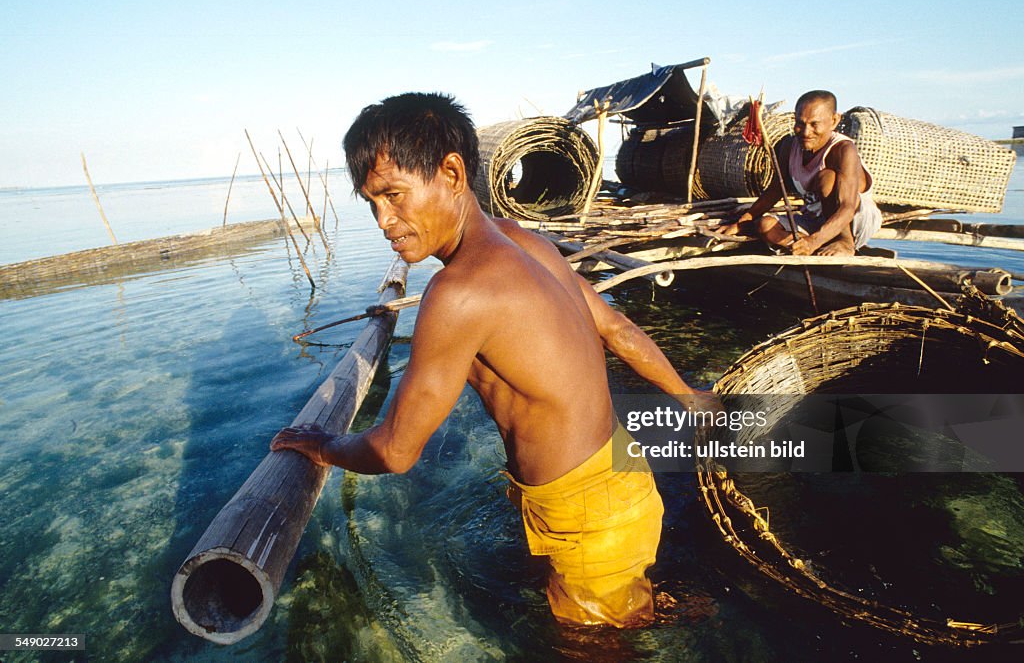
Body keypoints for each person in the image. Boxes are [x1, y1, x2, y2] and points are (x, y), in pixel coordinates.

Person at [270, 92, 700, 627]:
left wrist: (325, 446)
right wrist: (690, 398)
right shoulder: (526, 240)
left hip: (585, 515)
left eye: (394, 195)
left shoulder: (460, 292)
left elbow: (397, 451)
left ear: (452, 173)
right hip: (621, 476)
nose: (383, 219)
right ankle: (679, 611)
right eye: (372, 203)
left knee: (594, 648)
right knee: (629, 604)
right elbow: (618, 328)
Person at [717, 90, 881, 256]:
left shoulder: (843, 150)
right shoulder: (789, 146)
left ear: (834, 121)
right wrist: (743, 222)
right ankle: (806, 246)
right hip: (816, 219)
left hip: (854, 222)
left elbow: (847, 207)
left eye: (814, 124)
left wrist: (815, 241)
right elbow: (775, 191)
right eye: (800, 124)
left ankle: (844, 244)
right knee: (764, 225)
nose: (805, 132)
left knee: (827, 178)